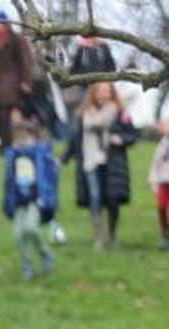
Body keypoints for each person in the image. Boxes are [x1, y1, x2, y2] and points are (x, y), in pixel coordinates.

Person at [65, 82, 137, 251]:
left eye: (107, 91)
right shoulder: (84, 114)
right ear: (93, 93)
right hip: (90, 160)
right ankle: (98, 238)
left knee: (113, 200)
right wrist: (64, 158)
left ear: (112, 93)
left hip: (112, 161)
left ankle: (113, 235)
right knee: (95, 197)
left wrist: (122, 140)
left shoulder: (120, 113)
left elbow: (133, 135)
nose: (103, 94)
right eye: (100, 91)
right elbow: (76, 139)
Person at [2, 120, 59, 280]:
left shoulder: (40, 153)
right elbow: (7, 181)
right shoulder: (12, 154)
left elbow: (50, 177)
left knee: (31, 228)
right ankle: (27, 264)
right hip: (18, 199)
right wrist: (7, 202)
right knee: (18, 234)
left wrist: (48, 197)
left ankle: (45, 253)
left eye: (24, 134)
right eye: (17, 135)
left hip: (36, 199)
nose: (20, 138)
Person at [0, 12, 33, 151]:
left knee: (9, 120)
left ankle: (9, 147)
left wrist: (26, 81)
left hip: (11, 90)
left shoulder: (16, 40)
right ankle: (4, 147)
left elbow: (26, 61)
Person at [151, 118, 169, 251]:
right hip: (163, 181)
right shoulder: (162, 145)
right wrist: (153, 180)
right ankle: (165, 234)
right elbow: (155, 163)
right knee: (161, 207)